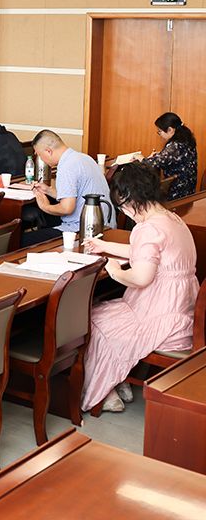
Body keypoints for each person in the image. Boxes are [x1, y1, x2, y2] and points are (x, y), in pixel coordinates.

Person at [80, 163, 198, 412]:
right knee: (108, 314)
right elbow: (146, 252)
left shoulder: (148, 228)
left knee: (95, 320)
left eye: (122, 206)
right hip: (182, 310)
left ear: (131, 199)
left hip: (162, 317)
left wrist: (113, 270)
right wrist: (105, 247)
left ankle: (107, 390)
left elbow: (142, 277)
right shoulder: (171, 218)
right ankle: (119, 378)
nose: (124, 211)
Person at [23, 130, 115, 245]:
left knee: (23, 240)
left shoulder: (66, 167)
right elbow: (74, 195)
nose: (41, 159)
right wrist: (48, 190)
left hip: (84, 230)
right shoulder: (84, 158)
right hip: (105, 224)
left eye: (40, 155)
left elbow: (67, 208)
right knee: (47, 221)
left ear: (48, 151)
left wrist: (45, 206)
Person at [146, 112, 198, 201]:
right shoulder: (186, 139)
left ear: (170, 130)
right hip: (189, 190)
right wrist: (160, 155)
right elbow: (172, 157)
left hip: (178, 193)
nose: (159, 134)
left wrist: (140, 158)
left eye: (160, 131)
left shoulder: (175, 145)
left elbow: (153, 164)